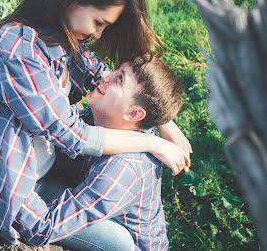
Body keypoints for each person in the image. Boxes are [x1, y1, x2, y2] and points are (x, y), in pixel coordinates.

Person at [0, 0, 191, 244]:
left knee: (118, 184)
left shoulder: (58, 34)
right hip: (16, 185)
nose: (96, 33)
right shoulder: (18, 50)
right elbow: (73, 135)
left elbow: (97, 74)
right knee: (119, 244)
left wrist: (165, 123)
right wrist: (151, 140)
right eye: (98, 21)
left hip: (42, 164)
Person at [14, 56, 184, 250]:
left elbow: (45, 227)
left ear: (134, 114)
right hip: (100, 209)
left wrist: (7, 188)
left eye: (119, 79)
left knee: (34, 188)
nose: (104, 75)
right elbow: (62, 124)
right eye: (115, 70)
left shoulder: (122, 169)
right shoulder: (108, 119)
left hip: (123, 243)